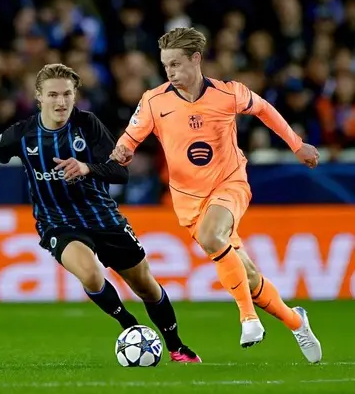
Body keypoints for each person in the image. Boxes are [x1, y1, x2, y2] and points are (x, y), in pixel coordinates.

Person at [110, 27, 322, 363]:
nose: (169, 72)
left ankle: (248, 318)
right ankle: (296, 321)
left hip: (229, 184)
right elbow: (129, 138)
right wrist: (123, 151)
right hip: (188, 200)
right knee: (247, 274)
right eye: (165, 65)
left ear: (196, 59)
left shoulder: (228, 93)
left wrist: (297, 145)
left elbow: (265, 109)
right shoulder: (154, 100)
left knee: (212, 236)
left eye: (176, 64)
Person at [0, 63, 201, 363]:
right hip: (57, 222)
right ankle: (130, 326)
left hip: (102, 217)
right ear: (39, 97)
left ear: (75, 95)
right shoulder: (23, 134)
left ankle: (176, 346)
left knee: (146, 285)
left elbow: (120, 173)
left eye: (67, 94)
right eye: (53, 95)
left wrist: (86, 167)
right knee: (90, 274)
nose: (61, 102)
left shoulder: (88, 125)